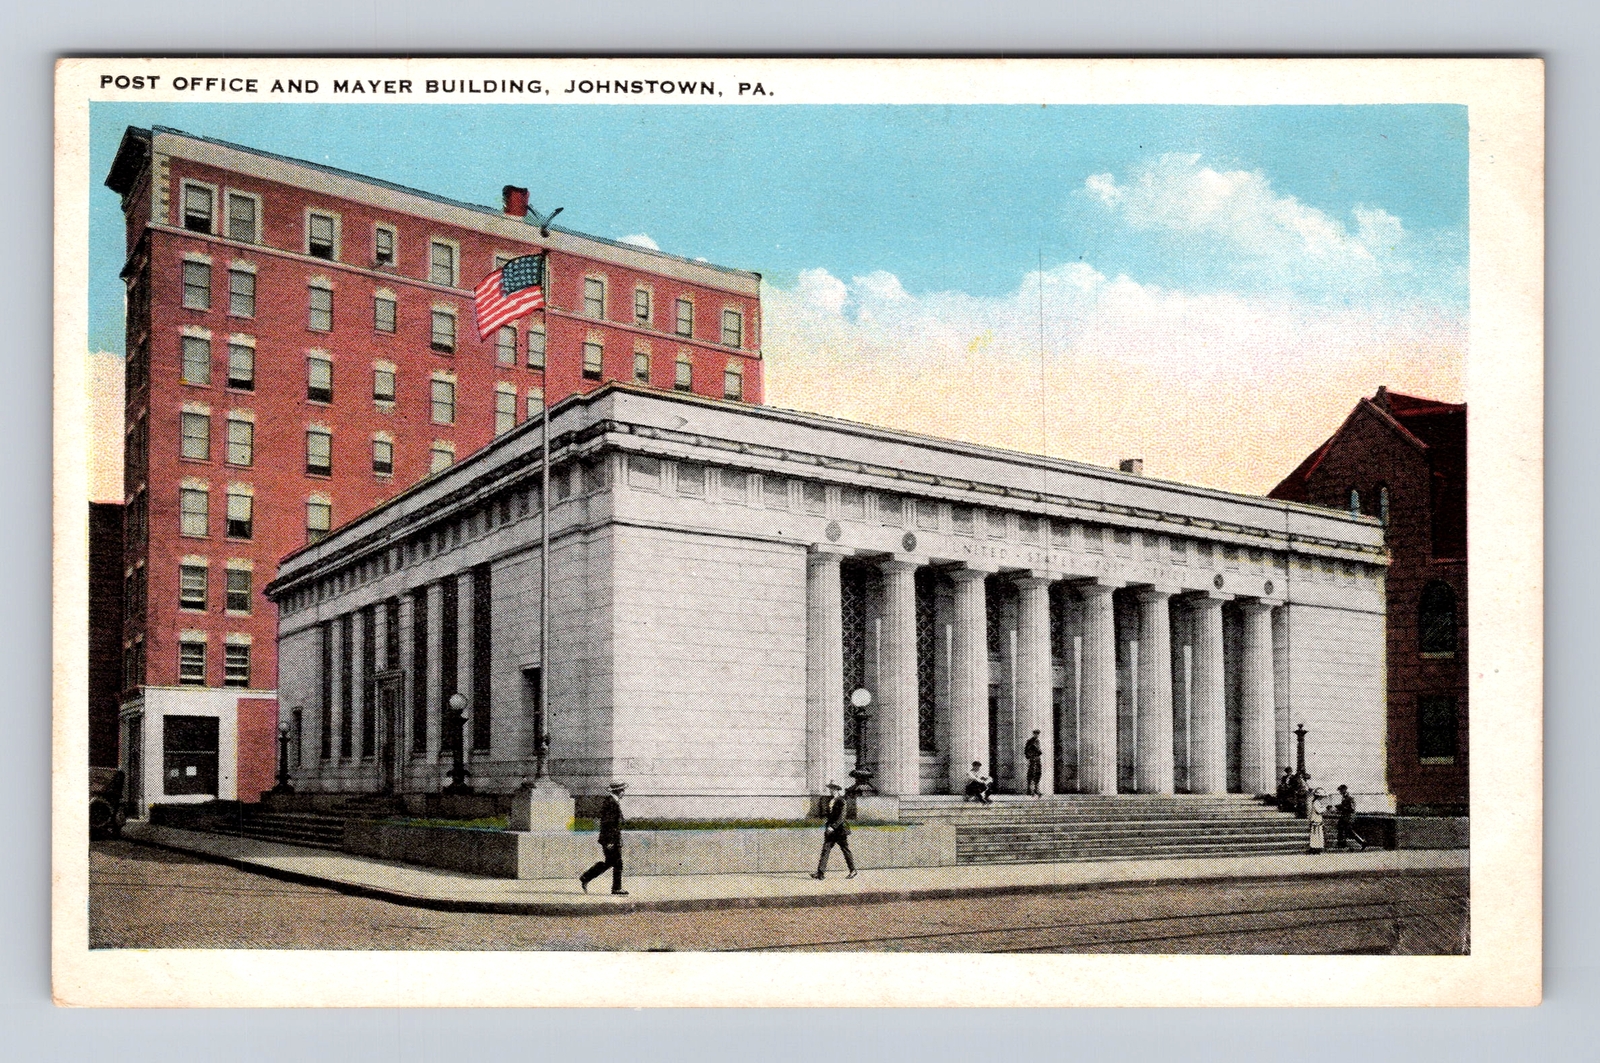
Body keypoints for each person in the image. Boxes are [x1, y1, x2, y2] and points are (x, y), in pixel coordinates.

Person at [579, 780, 629, 896]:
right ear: (618, 791)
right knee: (617, 863)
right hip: (610, 839)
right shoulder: (611, 803)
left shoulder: (612, 801)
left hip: (612, 838)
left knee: (611, 862)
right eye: (622, 790)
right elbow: (608, 824)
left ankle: (586, 877)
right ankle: (616, 888)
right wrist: (610, 841)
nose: (624, 793)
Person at [811, 781, 857, 880]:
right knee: (825, 849)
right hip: (831, 830)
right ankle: (820, 873)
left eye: (832, 789)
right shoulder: (831, 801)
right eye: (830, 789)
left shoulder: (841, 801)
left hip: (840, 830)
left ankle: (853, 870)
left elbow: (842, 817)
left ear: (836, 789)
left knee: (845, 849)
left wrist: (833, 826)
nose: (830, 791)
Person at [1334, 784, 1368, 850]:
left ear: (1344, 790)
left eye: (1341, 790)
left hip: (1348, 817)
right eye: (1339, 791)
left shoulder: (1350, 797)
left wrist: (1341, 807)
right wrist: (1339, 807)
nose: (1340, 792)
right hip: (1344, 816)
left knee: (1348, 830)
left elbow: (1352, 809)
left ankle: (1361, 842)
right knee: (1341, 828)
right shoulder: (1344, 797)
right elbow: (1344, 806)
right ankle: (1342, 843)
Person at [1023, 730, 1044, 797]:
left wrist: (1039, 751)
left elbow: (1039, 751)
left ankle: (1036, 789)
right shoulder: (1030, 741)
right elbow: (1026, 751)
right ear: (1033, 734)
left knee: (1038, 773)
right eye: (1035, 734)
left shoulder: (1038, 741)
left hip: (1037, 759)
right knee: (1031, 774)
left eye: (1038, 734)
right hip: (1033, 759)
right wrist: (1030, 756)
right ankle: (1030, 790)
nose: (1037, 735)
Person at [1306, 788, 1327, 854]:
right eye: (1321, 796)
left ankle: (1317, 849)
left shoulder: (1317, 802)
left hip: (1317, 820)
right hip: (1316, 821)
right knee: (1316, 835)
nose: (1322, 798)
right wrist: (1325, 808)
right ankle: (1314, 849)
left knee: (1317, 835)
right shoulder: (1316, 802)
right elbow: (1319, 811)